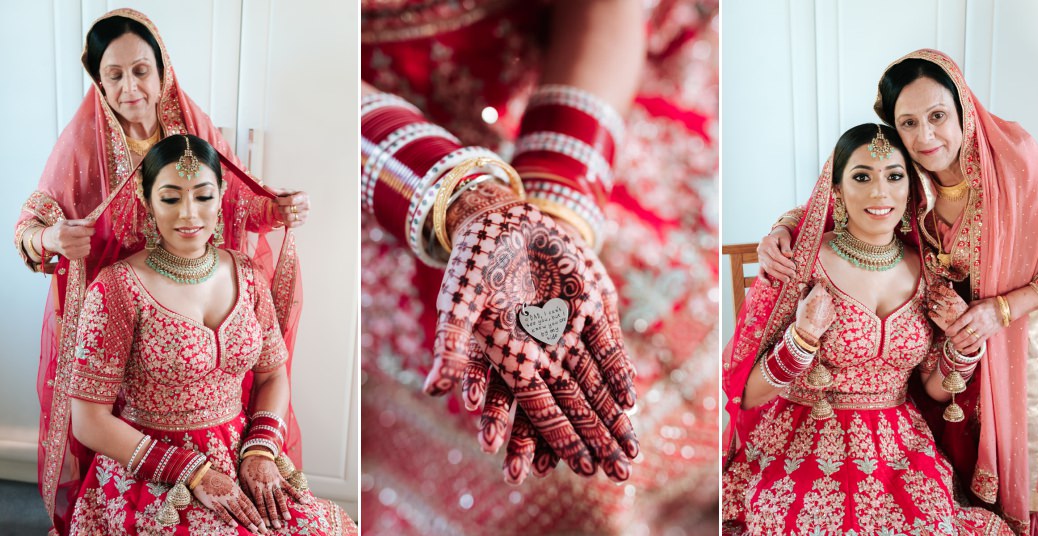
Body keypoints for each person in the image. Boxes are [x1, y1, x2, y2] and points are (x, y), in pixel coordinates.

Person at [361, 0, 719, 533]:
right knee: (560, 487)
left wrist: (558, 215)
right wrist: (464, 200)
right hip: (376, 175)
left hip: (581, 104)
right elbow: (280, 72)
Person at [755, 49, 1038, 535]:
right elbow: (840, 197)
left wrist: (1002, 310)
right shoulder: (907, 176)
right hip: (945, 347)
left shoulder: (1016, 164)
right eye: (909, 123)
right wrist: (781, 228)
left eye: (937, 117)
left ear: (963, 109)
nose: (926, 136)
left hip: (1020, 343)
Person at [13, 10, 312, 532]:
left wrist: (276, 210)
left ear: (163, 69)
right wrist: (54, 238)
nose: (131, 87)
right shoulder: (81, 148)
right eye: (115, 75)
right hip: (119, 304)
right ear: (98, 80)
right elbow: (30, 228)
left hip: (198, 300)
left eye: (141, 70)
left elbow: (235, 201)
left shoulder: (193, 131)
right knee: (103, 416)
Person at [722, 123, 1009, 534]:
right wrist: (801, 340)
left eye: (894, 176)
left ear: (911, 188)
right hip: (805, 437)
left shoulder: (928, 269)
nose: (880, 192)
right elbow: (745, 393)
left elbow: (932, 387)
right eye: (862, 177)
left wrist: (961, 347)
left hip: (899, 445)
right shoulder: (800, 263)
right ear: (835, 191)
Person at [65, 134, 355, 535]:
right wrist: (193, 473)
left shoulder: (248, 275)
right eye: (170, 198)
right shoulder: (117, 289)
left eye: (203, 196)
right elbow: (88, 421)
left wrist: (261, 451)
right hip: (151, 469)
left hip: (242, 454)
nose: (189, 214)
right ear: (146, 199)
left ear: (221, 195)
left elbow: (273, 374)